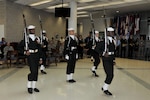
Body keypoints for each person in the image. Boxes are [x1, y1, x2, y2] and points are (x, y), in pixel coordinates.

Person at [20, 25, 43, 94]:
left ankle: (34, 86)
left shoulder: (37, 38)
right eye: (31, 30)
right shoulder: (26, 39)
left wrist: (41, 58)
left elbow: (39, 49)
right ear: (29, 31)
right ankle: (29, 86)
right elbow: (19, 47)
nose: (33, 30)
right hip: (30, 56)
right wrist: (24, 52)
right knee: (33, 71)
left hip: (37, 55)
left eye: (34, 29)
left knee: (36, 72)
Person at [101, 27, 116, 96]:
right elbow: (97, 49)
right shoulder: (104, 41)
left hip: (110, 60)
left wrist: (113, 60)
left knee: (111, 75)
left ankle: (104, 87)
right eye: (111, 32)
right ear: (108, 33)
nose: (112, 33)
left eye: (113, 32)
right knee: (110, 75)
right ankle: (105, 89)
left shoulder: (113, 40)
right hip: (106, 60)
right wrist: (103, 53)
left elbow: (113, 51)